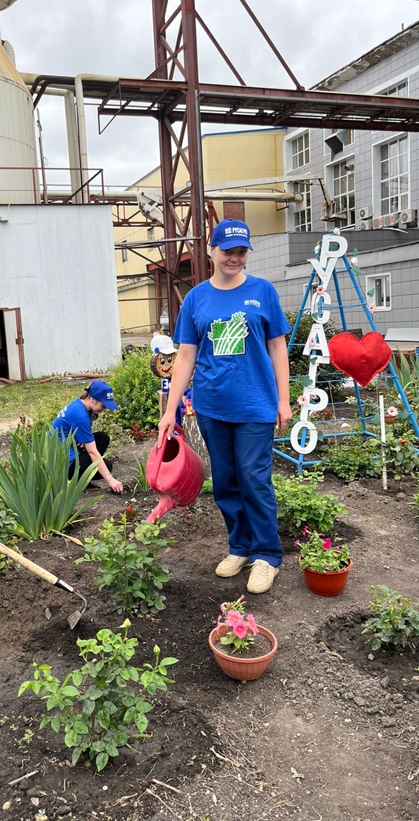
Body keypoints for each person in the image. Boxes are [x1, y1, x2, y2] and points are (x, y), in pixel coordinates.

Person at [158, 219, 291, 594]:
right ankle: (241, 547)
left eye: (241, 251)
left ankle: (268, 554)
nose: (235, 258)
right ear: (211, 251)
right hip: (212, 406)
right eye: (228, 250)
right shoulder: (197, 298)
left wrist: (283, 400)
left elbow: (278, 346)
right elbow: (185, 355)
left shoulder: (262, 291)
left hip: (255, 405)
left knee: (254, 479)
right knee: (226, 482)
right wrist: (171, 410)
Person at [51, 380, 124, 494]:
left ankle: (83, 478)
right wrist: (111, 480)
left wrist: (78, 441)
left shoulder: (81, 405)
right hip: (62, 461)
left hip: (67, 446)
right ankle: (77, 480)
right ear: (93, 399)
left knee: (103, 438)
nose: (104, 410)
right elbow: (93, 452)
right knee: (107, 467)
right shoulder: (80, 415)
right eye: (103, 405)